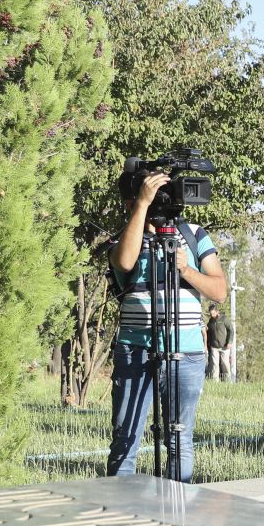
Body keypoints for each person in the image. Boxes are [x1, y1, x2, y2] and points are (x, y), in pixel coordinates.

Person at [106, 170, 227, 481]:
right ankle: (121, 508)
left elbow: (219, 291)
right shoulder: (126, 236)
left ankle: (177, 505)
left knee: (179, 439)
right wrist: (142, 205)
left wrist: (186, 269)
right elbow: (124, 262)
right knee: (125, 439)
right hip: (135, 350)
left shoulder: (194, 235)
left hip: (185, 352)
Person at [205, 306, 234, 382]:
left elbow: (231, 330)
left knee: (225, 364)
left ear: (217, 311)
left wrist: (230, 342)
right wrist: (208, 345)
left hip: (224, 346)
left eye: (213, 313)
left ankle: (228, 381)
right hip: (214, 347)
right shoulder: (210, 321)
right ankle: (215, 382)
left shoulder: (224, 319)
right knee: (215, 365)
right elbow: (208, 333)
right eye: (211, 313)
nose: (212, 315)